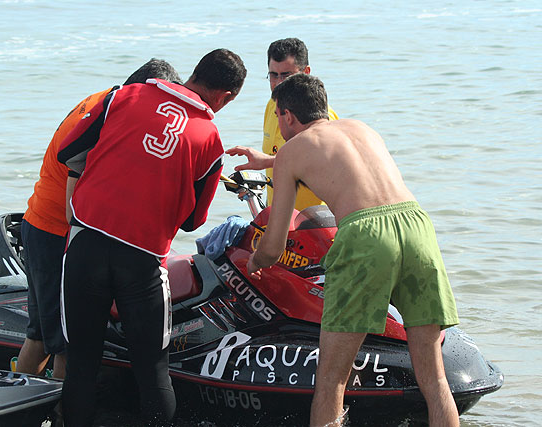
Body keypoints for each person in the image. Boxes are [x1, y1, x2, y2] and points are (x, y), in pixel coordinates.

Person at [245, 73, 460, 427]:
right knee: (434, 378)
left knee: (332, 380)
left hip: (365, 236)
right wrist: (267, 162)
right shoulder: (362, 128)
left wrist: (256, 262)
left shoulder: (289, 154)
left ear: (286, 116)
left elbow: (274, 245)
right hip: (417, 226)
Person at [57, 48, 246, 426]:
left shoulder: (121, 96)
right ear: (225, 96)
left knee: (81, 361)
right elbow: (194, 220)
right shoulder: (209, 138)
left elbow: (69, 152)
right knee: (153, 371)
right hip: (142, 260)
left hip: (86, 243)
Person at [16, 59, 183, 380]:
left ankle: (19, 410)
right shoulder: (113, 119)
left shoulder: (100, 102)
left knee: (40, 336)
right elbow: (79, 198)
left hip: (37, 223)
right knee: (70, 343)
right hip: (61, 234)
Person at [227, 37, 339, 211]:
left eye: (286, 75)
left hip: (315, 220)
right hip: (279, 215)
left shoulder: (322, 117)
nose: (279, 83)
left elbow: (322, 162)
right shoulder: (272, 105)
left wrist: (267, 161)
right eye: (273, 75)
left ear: (306, 73)